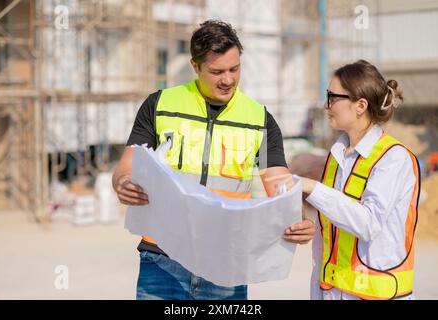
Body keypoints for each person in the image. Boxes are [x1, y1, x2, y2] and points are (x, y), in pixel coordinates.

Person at [112, 20, 314, 300]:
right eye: (216, 71)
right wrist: (123, 183)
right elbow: (127, 165)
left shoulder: (259, 120)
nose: (228, 79)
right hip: (162, 259)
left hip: (226, 261)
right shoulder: (159, 106)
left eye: (234, 69)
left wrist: (296, 217)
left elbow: (278, 182)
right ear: (195, 66)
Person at [288, 60, 420, 300]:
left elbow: (368, 224)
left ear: (360, 105)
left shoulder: (394, 159)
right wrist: (307, 223)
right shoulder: (336, 156)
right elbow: (330, 235)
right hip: (332, 292)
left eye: (333, 97)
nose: (326, 105)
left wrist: (313, 188)